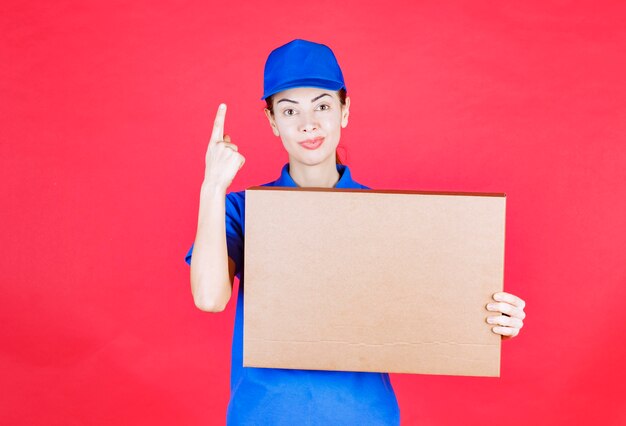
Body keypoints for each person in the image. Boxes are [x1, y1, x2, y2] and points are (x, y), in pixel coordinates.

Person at [185, 39, 527, 425]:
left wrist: (490, 321)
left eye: (323, 105)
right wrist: (212, 186)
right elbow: (210, 297)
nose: (308, 123)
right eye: (289, 110)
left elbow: (427, 306)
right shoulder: (241, 209)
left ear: (345, 111)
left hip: (363, 415)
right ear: (272, 122)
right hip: (265, 415)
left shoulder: (386, 215)